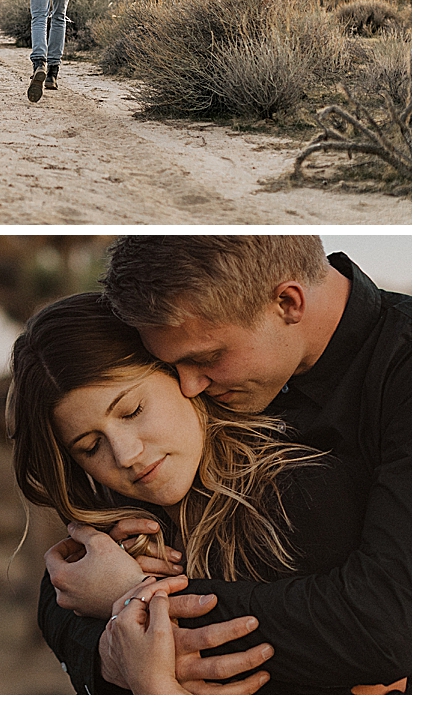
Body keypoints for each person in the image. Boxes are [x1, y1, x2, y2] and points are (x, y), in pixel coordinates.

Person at [36, 236, 410, 694]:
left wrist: (139, 604)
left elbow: (385, 625)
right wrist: (108, 651)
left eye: (206, 358)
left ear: (288, 303)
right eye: (172, 366)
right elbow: (73, 581)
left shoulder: (402, 370)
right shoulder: (209, 367)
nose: (189, 385)